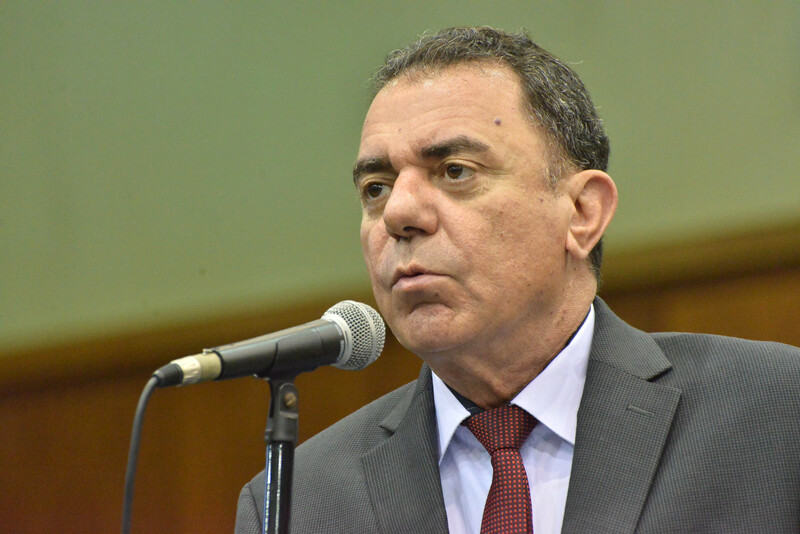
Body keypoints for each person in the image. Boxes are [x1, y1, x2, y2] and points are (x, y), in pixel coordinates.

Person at [235, 27, 800, 533]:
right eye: (376, 188)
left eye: (455, 171)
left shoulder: (775, 411)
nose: (398, 214)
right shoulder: (295, 504)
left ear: (582, 213)